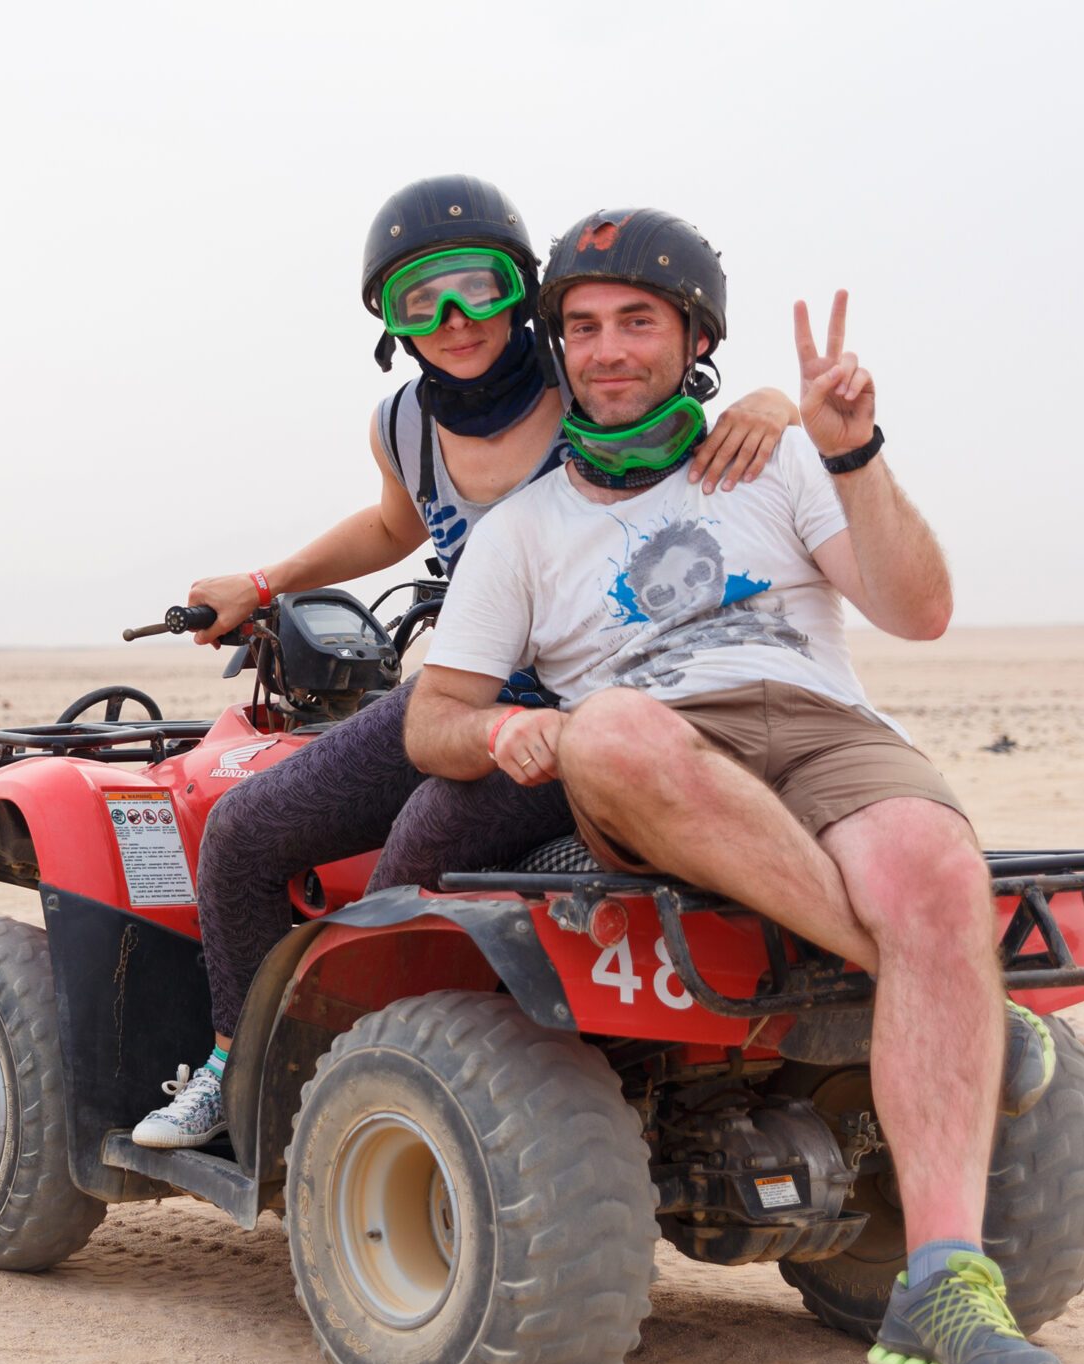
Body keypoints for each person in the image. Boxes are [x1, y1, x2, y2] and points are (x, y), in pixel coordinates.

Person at [402, 207, 1063, 1364]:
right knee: (609, 729)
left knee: (932, 861)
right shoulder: (524, 532)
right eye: (584, 326)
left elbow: (917, 615)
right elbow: (428, 720)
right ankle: (947, 989)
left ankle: (944, 1283)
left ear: (689, 337)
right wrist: (512, 727)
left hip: (822, 725)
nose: (607, 350)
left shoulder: (782, 463)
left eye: (636, 323)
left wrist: (854, 452)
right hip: (657, 748)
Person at [130, 178, 801, 1149]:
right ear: (389, 321)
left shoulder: (588, 385)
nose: (453, 319)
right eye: (419, 300)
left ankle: (388, 1098)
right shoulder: (402, 424)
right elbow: (391, 526)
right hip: (460, 698)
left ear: (519, 289)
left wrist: (774, 404)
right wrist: (263, 582)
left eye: (475, 289)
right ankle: (240, 1068)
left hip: (594, 706)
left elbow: (702, 418)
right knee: (243, 830)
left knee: (419, 854)